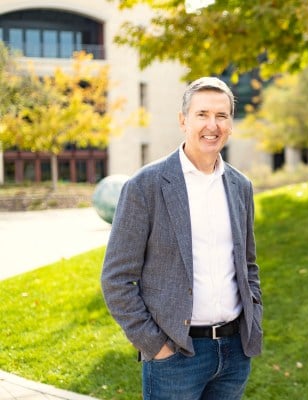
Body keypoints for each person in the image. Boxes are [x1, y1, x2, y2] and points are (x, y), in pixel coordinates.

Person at [101, 76, 262, 400]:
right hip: (175, 355)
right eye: (202, 114)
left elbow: (247, 265)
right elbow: (116, 279)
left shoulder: (240, 186)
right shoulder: (145, 186)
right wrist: (154, 345)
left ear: (231, 123)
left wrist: (253, 318)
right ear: (183, 120)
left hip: (234, 353)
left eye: (222, 115)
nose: (212, 125)